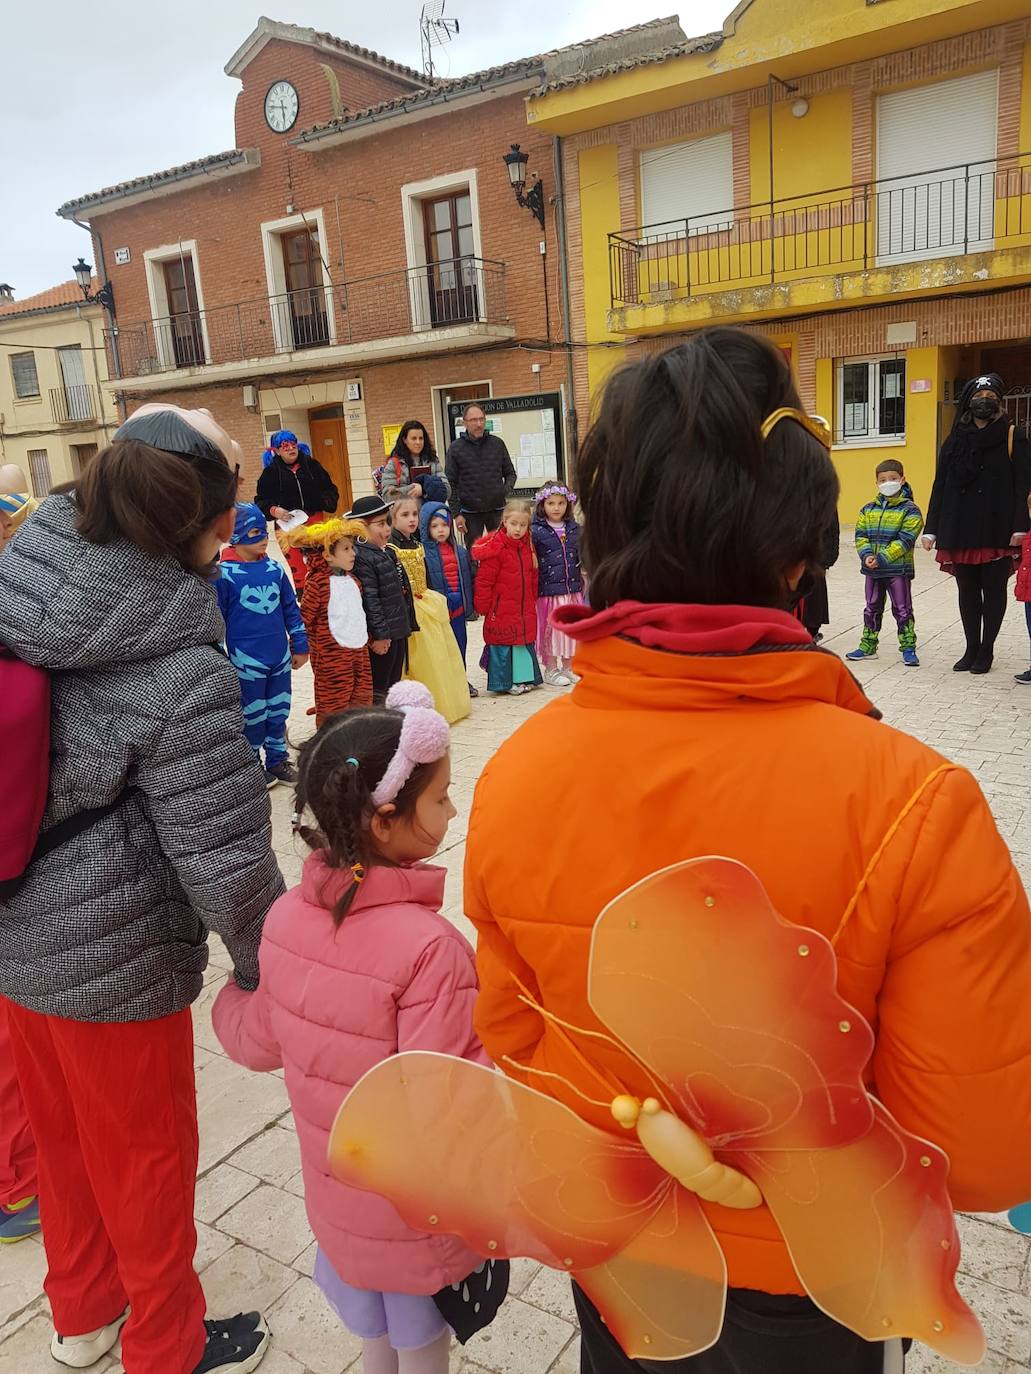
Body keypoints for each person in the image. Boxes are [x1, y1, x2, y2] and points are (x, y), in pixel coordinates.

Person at [464, 328, 1031, 1374]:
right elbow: (984, 1152)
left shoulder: (510, 775)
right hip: (816, 1284)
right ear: (796, 552)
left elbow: (514, 1045)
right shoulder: (914, 803)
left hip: (623, 1255)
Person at [0, 404, 280, 1374]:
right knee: (145, 1160)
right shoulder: (176, 662)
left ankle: (80, 1319)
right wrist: (267, 968)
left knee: (63, 1150)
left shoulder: (21, 579)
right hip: (119, 959)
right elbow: (226, 854)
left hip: (19, 934)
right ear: (197, 530)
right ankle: (165, 1345)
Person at [212, 684, 506, 1374]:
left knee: (376, 1341)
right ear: (383, 821)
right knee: (422, 1346)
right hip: (413, 1217)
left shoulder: (286, 919)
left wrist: (229, 997)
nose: (452, 809)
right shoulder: (427, 948)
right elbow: (449, 1100)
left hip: (340, 1201)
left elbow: (257, 1038)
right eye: (439, 799)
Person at [922, 373, 1031, 673]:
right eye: (979, 398)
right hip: (960, 527)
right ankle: (971, 647)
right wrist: (931, 528)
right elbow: (940, 484)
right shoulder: (954, 439)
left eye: (991, 398)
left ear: (999, 403)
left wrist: (1019, 527)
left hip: (998, 529)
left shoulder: (1013, 435)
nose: (985, 403)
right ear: (969, 404)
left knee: (993, 590)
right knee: (967, 591)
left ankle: (987, 650)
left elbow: (1024, 485)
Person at [217, 502, 310, 787]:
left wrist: (300, 644)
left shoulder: (273, 569)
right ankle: (252, 764)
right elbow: (216, 622)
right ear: (237, 535)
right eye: (256, 533)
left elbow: (290, 609)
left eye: (264, 532)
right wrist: (221, 658)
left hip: (279, 656)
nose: (264, 539)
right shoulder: (223, 575)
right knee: (253, 714)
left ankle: (277, 758)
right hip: (245, 661)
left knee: (279, 709)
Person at [390, 498, 471, 725]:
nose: (411, 519)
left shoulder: (416, 543)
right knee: (419, 656)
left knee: (438, 653)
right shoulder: (391, 546)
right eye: (405, 515)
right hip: (409, 605)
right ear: (393, 519)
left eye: (414, 514)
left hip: (425, 600)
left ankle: (443, 698)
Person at [287, 516, 373, 727]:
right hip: (331, 657)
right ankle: (329, 741)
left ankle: (358, 736)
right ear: (327, 555)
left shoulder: (353, 580)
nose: (353, 553)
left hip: (359, 653)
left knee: (362, 698)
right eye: (346, 549)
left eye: (352, 547)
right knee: (333, 701)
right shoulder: (317, 582)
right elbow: (305, 617)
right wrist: (298, 646)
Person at [846, 462, 924, 667]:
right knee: (871, 607)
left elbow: (906, 539)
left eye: (892, 479)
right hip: (872, 571)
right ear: (876, 482)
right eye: (882, 480)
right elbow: (860, 535)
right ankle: (868, 646)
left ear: (902, 479)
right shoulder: (867, 509)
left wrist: (881, 558)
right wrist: (866, 555)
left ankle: (908, 648)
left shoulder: (911, 510)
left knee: (902, 608)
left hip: (898, 570)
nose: (887, 483)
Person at [349, 495, 418, 703]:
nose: (387, 529)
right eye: (380, 524)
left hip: (396, 631)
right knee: (380, 687)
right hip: (383, 636)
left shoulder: (385, 552)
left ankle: (389, 723)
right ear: (361, 528)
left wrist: (408, 623)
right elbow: (371, 601)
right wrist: (379, 636)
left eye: (388, 522)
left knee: (393, 683)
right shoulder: (362, 557)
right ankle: (378, 725)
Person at [255, 430, 339, 594]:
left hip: (314, 520)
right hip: (287, 526)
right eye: (285, 446)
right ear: (277, 451)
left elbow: (330, 489)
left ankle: (326, 594)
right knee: (298, 566)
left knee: (320, 560)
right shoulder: (270, 473)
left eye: (293, 444)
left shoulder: (312, 465)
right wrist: (275, 510)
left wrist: (323, 501)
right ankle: (305, 598)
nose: (290, 449)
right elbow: (261, 501)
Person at [472, 499, 542, 696]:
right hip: (500, 608)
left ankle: (524, 677)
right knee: (504, 641)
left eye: (522, 524)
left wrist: (533, 596)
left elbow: (533, 574)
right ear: (504, 521)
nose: (518, 529)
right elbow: (484, 581)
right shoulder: (496, 548)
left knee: (521, 641)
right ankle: (504, 681)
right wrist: (483, 606)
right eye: (513, 524)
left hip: (523, 605)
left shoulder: (528, 546)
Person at [421, 501, 477, 698]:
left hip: (459, 609)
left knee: (460, 645)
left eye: (444, 525)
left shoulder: (460, 552)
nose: (441, 530)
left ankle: (461, 679)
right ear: (426, 527)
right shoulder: (423, 554)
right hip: (439, 612)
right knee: (442, 649)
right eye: (435, 526)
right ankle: (446, 684)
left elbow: (469, 580)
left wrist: (470, 605)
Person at [531, 483, 585, 686]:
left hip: (572, 589)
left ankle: (568, 666)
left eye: (561, 503)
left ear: (568, 504)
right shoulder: (536, 531)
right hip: (549, 590)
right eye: (551, 503)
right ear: (542, 504)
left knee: (570, 629)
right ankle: (551, 669)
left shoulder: (575, 529)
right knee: (551, 630)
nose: (556, 508)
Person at [445, 404, 516, 545]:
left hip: (497, 511)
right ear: (464, 422)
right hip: (469, 514)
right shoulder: (455, 448)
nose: (478, 424)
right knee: (473, 554)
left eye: (481, 419)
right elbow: (450, 483)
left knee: (502, 550)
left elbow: (510, 474)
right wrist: (456, 514)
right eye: (473, 420)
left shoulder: (497, 444)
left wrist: (502, 492)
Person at [378, 421, 451, 504]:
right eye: (414, 438)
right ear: (404, 440)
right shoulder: (394, 463)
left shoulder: (433, 461)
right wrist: (414, 489)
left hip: (431, 514)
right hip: (406, 514)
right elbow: (387, 496)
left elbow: (447, 490)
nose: (418, 442)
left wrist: (423, 489)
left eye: (421, 438)